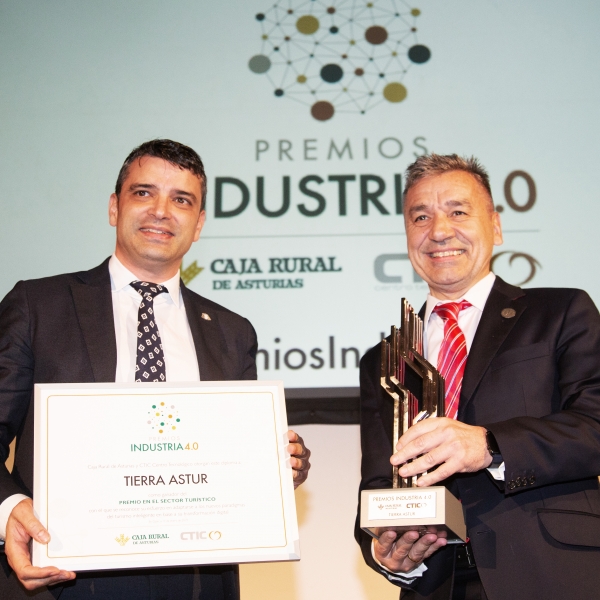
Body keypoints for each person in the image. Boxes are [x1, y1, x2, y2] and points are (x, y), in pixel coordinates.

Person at [0, 139, 311, 600]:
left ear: (199, 223)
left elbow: (239, 456)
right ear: (114, 206)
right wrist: (9, 509)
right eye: (144, 193)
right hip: (64, 575)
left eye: (181, 200)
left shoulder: (232, 331)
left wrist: (280, 463)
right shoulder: (38, 305)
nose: (161, 211)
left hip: (197, 582)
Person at [355, 154, 600, 599]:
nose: (439, 230)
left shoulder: (560, 312)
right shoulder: (382, 359)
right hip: (437, 584)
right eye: (420, 216)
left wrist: (489, 445)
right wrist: (386, 554)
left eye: (458, 211)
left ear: (497, 226)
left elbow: (596, 425)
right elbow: (377, 484)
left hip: (551, 571)